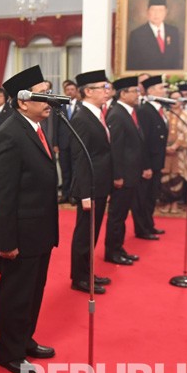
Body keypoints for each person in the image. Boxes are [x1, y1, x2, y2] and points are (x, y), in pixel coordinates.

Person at [0, 65, 58, 373]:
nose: (49, 99)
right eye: (42, 94)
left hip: (40, 230)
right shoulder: (9, 135)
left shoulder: (35, 128)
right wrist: (6, 241)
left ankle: (25, 339)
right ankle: (10, 352)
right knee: (17, 293)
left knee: (34, 290)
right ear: (22, 101)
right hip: (19, 234)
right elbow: (3, 195)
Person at [70, 70, 114, 290]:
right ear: (88, 91)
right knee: (84, 234)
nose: (107, 92)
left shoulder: (98, 113)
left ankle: (88, 272)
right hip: (90, 187)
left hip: (101, 184)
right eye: (102, 88)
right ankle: (80, 278)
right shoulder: (81, 118)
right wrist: (85, 193)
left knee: (93, 232)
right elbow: (80, 158)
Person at [105, 77, 148, 267]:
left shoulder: (130, 112)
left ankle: (119, 248)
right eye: (135, 91)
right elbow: (115, 149)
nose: (138, 95)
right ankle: (112, 251)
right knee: (117, 215)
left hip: (132, 174)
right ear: (123, 93)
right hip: (122, 176)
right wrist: (117, 176)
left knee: (122, 215)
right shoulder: (117, 114)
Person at [135, 75, 168, 238]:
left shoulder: (160, 109)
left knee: (151, 197)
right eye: (161, 88)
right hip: (148, 163)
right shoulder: (144, 111)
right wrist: (145, 165)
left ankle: (149, 225)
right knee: (143, 198)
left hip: (157, 162)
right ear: (151, 91)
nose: (165, 90)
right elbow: (143, 141)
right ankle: (142, 229)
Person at [126, 0, 183, 71]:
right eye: (153, 10)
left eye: (160, 10)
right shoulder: (137, 35)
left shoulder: (173, 32)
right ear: (147, 11)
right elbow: (132, 65)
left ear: (166, 12)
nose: (156, 14)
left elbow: (178, 60)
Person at [160, 89, 187, 211]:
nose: (175, 101)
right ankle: (166, 202)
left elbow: (186, 132)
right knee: (165, 177)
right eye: (173, 98)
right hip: (165, 151)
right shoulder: (164, 113)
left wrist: (175, 146)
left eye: (178, 98)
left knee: (177, 176)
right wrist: (165, 147)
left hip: (179, 152)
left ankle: (175, 203)